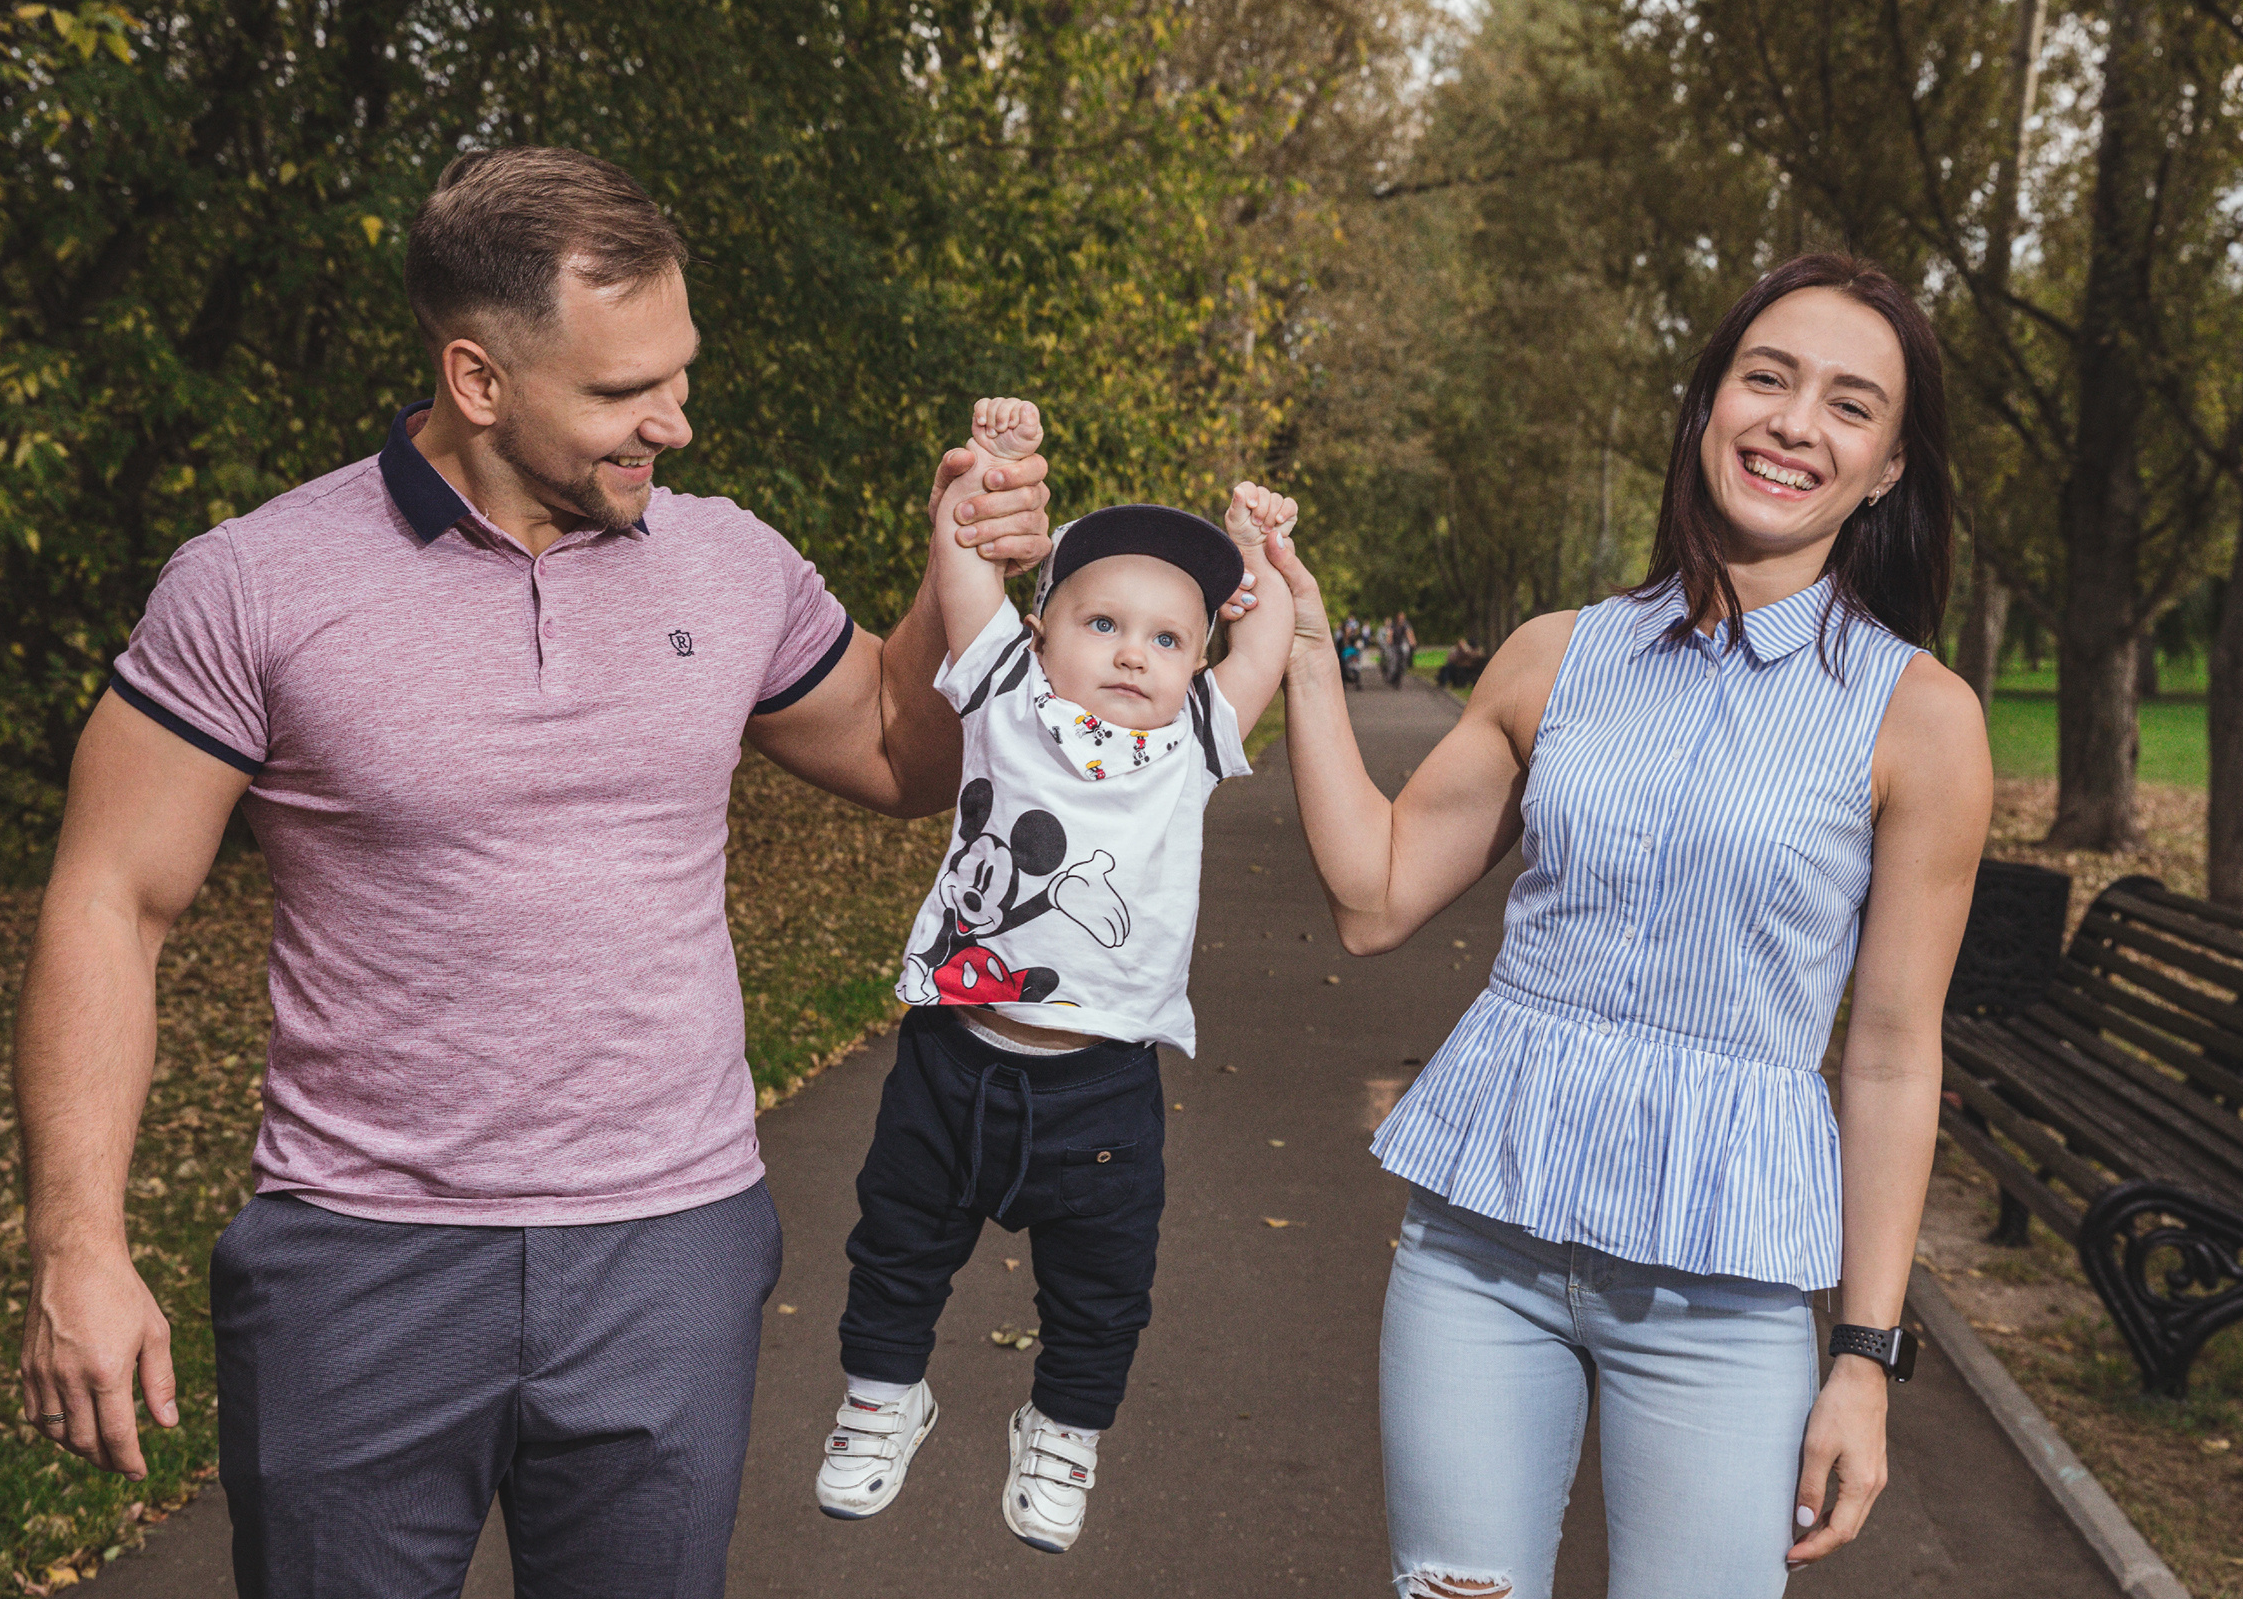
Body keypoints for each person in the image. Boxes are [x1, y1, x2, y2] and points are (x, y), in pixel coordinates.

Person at [6, 150, 1246, 1595]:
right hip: (360, 1261)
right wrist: (76, 1244)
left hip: (672, 1249)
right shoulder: (253, 583)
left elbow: (907, 762)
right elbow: (110, 899)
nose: (675, 417)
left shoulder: (727, 565)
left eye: (679, 371)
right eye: (620, 393)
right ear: (477, 378)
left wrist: (951, 563)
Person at [1261, 254, 1989, 1597]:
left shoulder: (1923, 720)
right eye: (1764, 379)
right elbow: (1372, 901)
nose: (1791, 423)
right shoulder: (1556, 655)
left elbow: (1889, 1056)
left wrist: (1866, 1359)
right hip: (1478, 1261)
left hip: (1724, 1303)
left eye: (1849, 404)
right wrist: (1308, 657)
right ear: (1709, 400)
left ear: (1887, 466)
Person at [811, 399, 1301, 1554]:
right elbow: (966, 571)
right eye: (1102, 622)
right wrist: (994, 472)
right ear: (1042, 637)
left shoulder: (1193, 746)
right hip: (954, 1058)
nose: (1134, 650)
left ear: (1194, 668)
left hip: (1100, 1088)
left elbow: (1267, 644)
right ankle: (884, 1396)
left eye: (1169, 638)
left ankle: (1067, 1426)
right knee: (896, 1240)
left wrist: (1263, 550)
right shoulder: (1003, 697)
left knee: (1103, 1288)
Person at [1382, 611, 1418, 688]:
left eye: (1403, 617)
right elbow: (1389, 634)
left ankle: (1401, 674)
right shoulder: (1393, 625)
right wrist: (1389, 641)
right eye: (1400, 617)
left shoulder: (1406, 624)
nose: (1401, 619)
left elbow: (1409, 634)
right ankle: (1390, 675)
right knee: (1393, 660)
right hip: (1393, 645)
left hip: (1401, 644)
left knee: (1404, 657)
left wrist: (1412, 642)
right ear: (1397, 618)